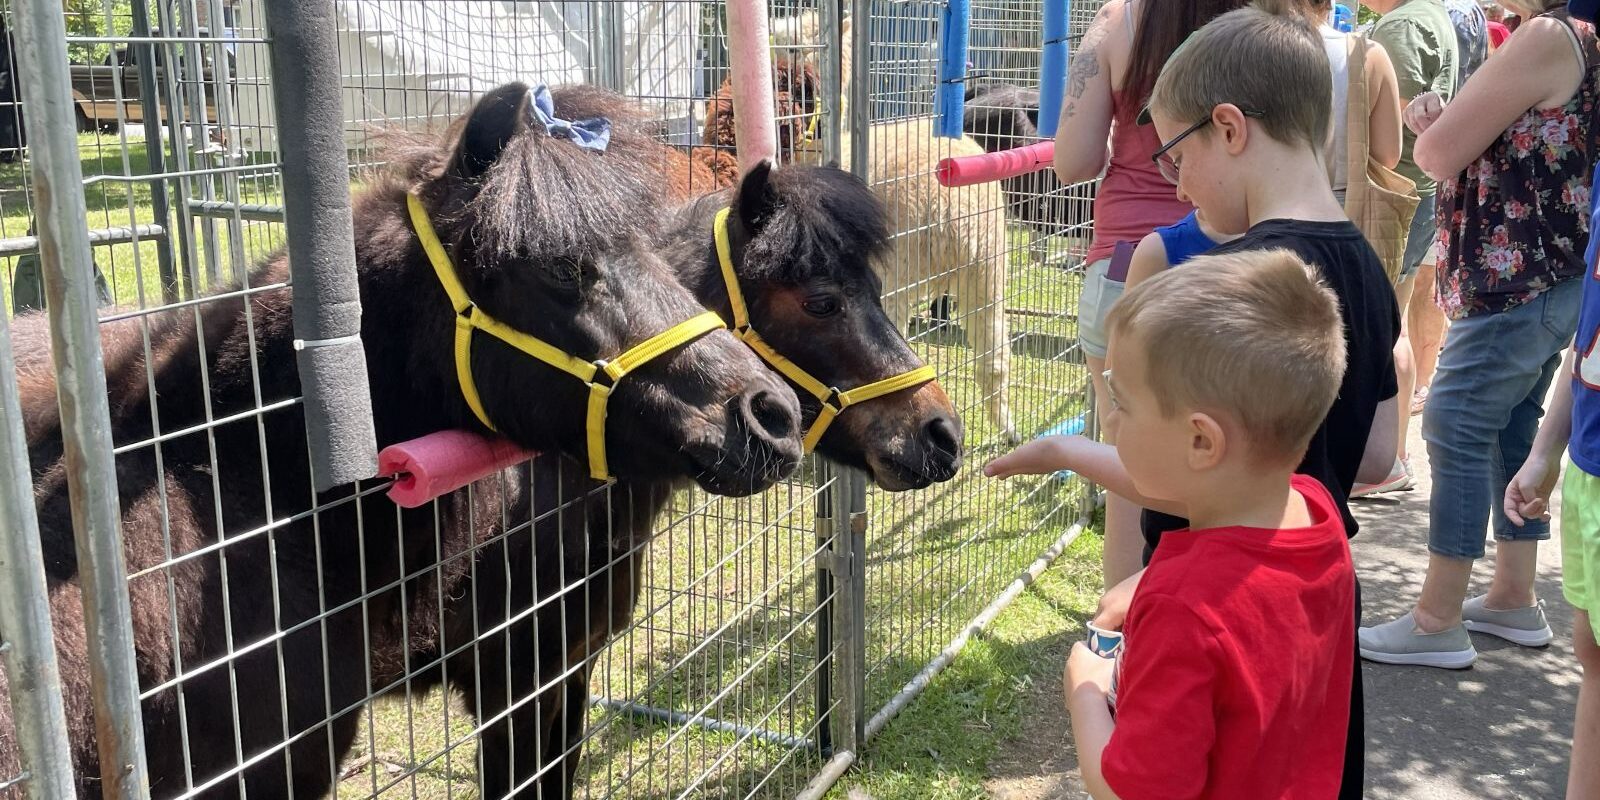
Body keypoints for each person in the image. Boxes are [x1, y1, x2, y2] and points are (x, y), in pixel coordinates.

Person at [997, 9, 1401, 796]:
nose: (1174, 182)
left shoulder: (1223, 286)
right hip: (1305, 615)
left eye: (1176, 153)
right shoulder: (1368, 272)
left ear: (1229, 128)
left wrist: (1085, 680)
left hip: (1210, 616)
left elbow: (1163, 469)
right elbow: (1380, 455)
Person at [1027, 250, 1355, 800]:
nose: (1109, 417)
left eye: (1124, 403)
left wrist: (1084, 687)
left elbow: (1130, 791)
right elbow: (1247, 580)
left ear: (1201, 440)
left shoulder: (1184, 610)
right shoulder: (1312, 510)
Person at [1359, 0, 1599, 667]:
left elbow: (1436, 154)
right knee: (1509, 429)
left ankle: (1437, 619)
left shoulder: (1546, 35)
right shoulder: (1573, 37)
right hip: (1554, 271)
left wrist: (1429, 126)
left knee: (1456, 422)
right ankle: (1512, 596)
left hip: (1515, 278)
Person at [1054, 0, 1247, 590]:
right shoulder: (1263, 19)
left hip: (1124, 258)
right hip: (1234, 259)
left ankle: (1119, 636)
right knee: (1234, 458)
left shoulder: (1119, 22)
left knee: (1128, 462)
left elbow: (1072, 161)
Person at [1352, 0, 1460, 496]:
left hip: (1388, 193)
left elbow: (1387, 131)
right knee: (1390, 321)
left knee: (1376, 324)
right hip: (1412, 193)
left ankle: (1382, 461)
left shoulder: (1402, 25)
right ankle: (1390, 458)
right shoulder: (1432, 16)